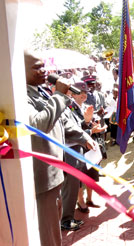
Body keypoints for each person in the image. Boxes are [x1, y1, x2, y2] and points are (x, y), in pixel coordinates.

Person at [25, 50, 95, 246]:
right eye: (37, 67)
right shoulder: (23, 96)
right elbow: (38, 126)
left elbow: (61, 121)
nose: (44, 70)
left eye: (43, 65)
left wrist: (83, 137)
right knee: (47, 234)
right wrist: (59, 96)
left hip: (56, 172)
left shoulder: (40, 91)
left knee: (53, 230)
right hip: (43, 177)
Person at [61, 82, 106, 231]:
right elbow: (70, 132)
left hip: (78, 149)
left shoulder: (80, 107)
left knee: (74, 185)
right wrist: (89, 129)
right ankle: (65, 220)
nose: (83, 94)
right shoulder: (68, 108)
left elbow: (79, 128)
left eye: (85, 91)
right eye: (80, 91)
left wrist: (90, 127)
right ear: (71, 94)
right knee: (71, 187)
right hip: (70, 151)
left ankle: (68, 217)